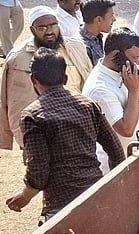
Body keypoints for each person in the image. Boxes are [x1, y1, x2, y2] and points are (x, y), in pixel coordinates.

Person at [7, 49, 125, 221]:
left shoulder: (32, 116)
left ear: (33, 80)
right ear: (65, 79)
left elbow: (39, 169)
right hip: (94, 194)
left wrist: (25, 196)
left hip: (61, 203)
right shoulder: (87, 105)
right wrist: (112, 187)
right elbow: (115, 149)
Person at [0, 6, 94, 150]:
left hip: (77, 126)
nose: (49, 31)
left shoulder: (75, 47)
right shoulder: (19, 58)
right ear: (32, 30)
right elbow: (15, 104)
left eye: (53, 25)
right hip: (41, 133)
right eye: (42, 28)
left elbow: (88, 81)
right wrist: (26, 142)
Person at [83, 29, 139, 172]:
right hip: (117, 167)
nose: (137, 63)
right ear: (115, 54)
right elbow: (126, 129)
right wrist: (134, 91)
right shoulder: (100, 88)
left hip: (135, 160)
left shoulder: (121, 72)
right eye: (133, 58)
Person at [80, 0, 115, 65]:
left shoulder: (95, 37)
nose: (114, 19)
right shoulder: (83, 47)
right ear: (99, 19)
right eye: (111, 16)